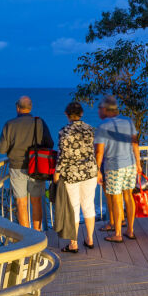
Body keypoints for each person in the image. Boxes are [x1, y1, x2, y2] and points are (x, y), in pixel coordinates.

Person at [0, 96, 53, 230]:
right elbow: (50, 144)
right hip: (37, 167)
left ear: (17, 107)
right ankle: (38, 234)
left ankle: (28, 238)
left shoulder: (9, 124)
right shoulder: (39, 122)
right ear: (30, 107)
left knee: (21, 203)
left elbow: (2, 149)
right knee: (36, 201)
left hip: (17, 167)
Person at [94, 95, 141, 243]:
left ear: (106, 109)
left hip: (114, 166)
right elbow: (135, 144)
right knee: (128, 196)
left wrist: (97, 170)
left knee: (116, 198)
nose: (98, 112)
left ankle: (118, 234)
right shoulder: (128, 121)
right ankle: (131, 230)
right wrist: (138, 164)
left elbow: (99, 152)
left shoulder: (103, 126)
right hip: (130, 165)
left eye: (100, 108)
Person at [53, 102, 98, 252]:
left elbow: (62, 155)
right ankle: (90, 239)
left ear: (67, 114)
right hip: (90, 172)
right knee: (88, 205)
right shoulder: (90, 129)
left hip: (72, 174)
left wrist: (57, 173)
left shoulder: (64, 131)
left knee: (74, 208)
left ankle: (74, 243)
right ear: (81, 114)